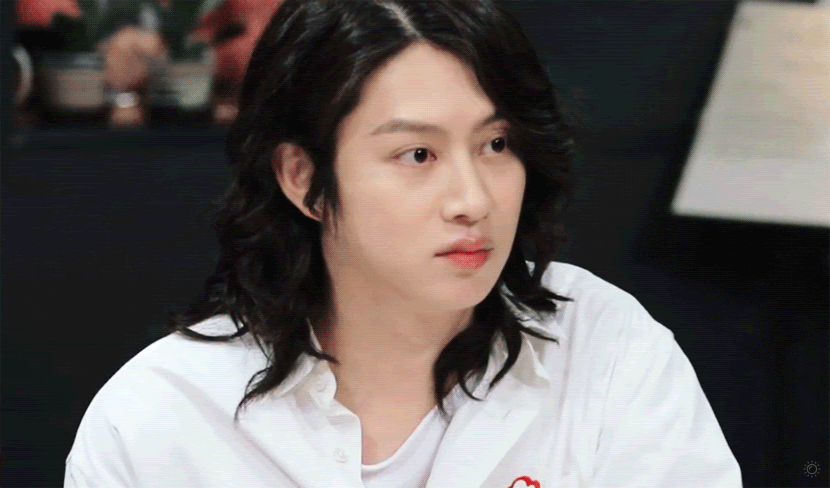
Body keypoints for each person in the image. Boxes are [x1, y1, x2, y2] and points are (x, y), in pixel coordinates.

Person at [64, 0, 743, 486]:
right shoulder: (162, 419)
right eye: (418, 154)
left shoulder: (606, 348)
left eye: (496, 144)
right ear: (302, 179)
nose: (473, 200)